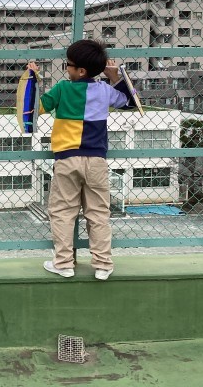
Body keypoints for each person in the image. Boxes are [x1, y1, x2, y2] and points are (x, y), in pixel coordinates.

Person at [28, 39, 135, 281]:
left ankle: (64, 263)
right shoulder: (105, 90)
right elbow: (129, 101)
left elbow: (36, 108)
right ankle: (103, 265)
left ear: (81, 71)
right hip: (96, 160)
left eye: (68, 64)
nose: (66, 68)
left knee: (63, 212)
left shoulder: (62, 89)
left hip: (67, 159)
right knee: (98, 213)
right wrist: (114, 76)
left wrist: (33, 79)